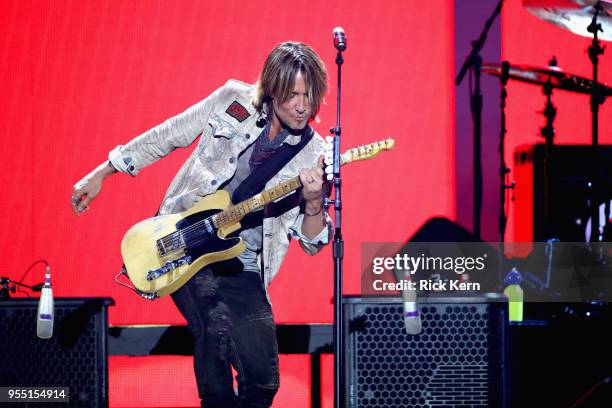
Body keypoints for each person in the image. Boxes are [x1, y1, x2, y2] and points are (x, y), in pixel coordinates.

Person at [71, 41, 332, 408]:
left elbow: (312, 241)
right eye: (293, 95)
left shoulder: (316, 155)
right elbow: (169, 133)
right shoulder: (232, 99)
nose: (303, 106)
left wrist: (315, 202)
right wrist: (104, 171)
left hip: (242, 260)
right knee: (217, 326)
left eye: (310, 95)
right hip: (186, 241)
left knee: (263, 381)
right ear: (272, 89)